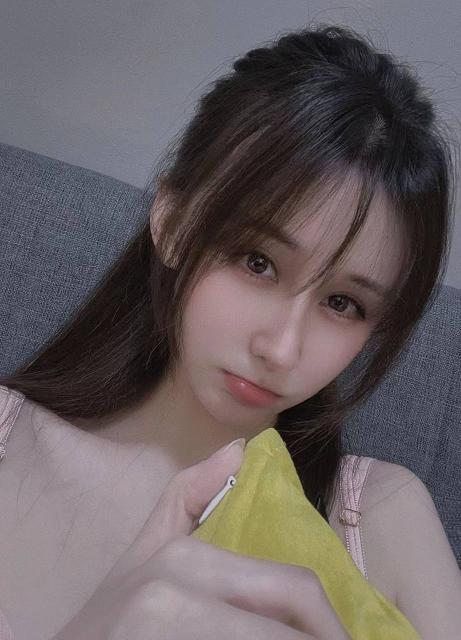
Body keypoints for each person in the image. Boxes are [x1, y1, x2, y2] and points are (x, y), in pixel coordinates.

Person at [0, 22, 460, 640]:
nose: (282, 349)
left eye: (343, 303)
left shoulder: (382, 517)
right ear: (172, 221)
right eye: (257, 262)